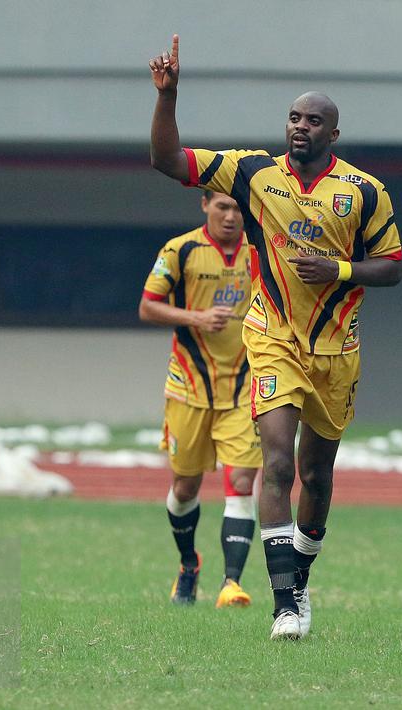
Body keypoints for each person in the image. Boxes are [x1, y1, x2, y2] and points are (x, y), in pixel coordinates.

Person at [148, 36, 402, 639]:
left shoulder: (363, 192)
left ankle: (302, 578)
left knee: (317, 478)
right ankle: (284, 603)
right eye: (293, 117)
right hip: (273, 338)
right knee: (277, 463)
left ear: (332, 135)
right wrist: (168, 97)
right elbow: (167, 160)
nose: (300, 127)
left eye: (313, 120)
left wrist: (339, 270)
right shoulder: (253, 173)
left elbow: (392, 266)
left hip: (337, 352)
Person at [140, 189, 262, 608]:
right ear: (205, 205)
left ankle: (232, 584)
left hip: (244, 384)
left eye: (238, 209)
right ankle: (189, 564)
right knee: (185, 485)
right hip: (189, 387)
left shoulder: (261, 252)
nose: (231, 217)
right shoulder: (181, 249)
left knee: (242, 480)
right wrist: (196, 317)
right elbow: (147, 307)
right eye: (222, 207)